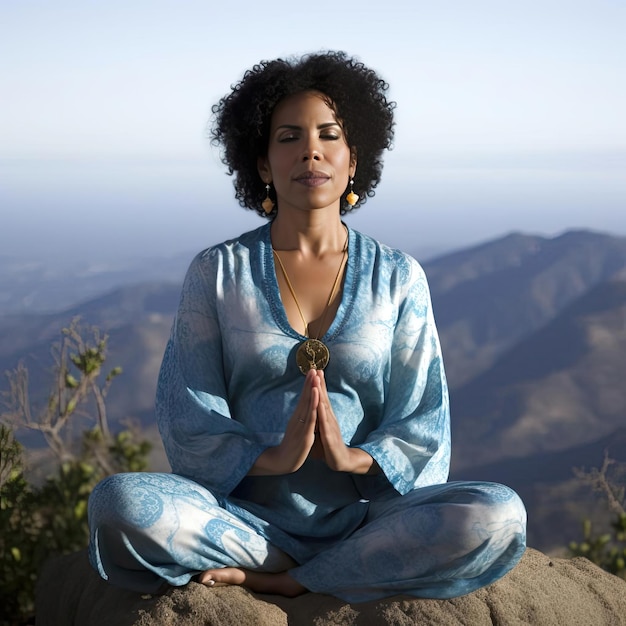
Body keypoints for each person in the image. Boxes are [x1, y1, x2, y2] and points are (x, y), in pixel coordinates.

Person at [88, 50, 526, 602]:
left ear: (352, 159)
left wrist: (350, 458)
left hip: (366, 521)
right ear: (264, 164)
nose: (311, 150)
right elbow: (188, 417)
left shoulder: (397, 277)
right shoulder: (217, 273)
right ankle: (303, 565)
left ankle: (298, 579)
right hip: (243, 523)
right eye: (289, 136)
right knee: (119, 505)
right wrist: (276, 457)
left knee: (498, 515)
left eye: (329, 135)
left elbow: (423, 424)